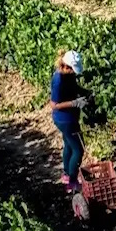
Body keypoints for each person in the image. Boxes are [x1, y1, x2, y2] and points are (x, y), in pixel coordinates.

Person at [50, 50, 89, 191]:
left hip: (69, 118)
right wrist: (74, 103)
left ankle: (67, 175)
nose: (74, 73)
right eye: (73, 70)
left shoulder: (68, 76)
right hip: (65, 120)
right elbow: (54, 105)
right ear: (67, 66)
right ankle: (72, 182)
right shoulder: (58, 80)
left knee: (68, 145)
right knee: (78, 150)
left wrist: (85, 92)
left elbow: (74, 87)